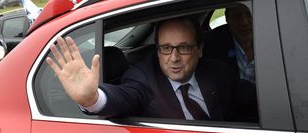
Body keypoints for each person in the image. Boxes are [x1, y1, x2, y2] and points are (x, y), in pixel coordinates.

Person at [47, 17, 245, 121]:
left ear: (199, 49)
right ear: (157, 51)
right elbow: (124, 97)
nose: (174, 58)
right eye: (166, 48)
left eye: (183, 47)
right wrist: (93, 99)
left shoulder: (219, 72)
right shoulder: (142, 78)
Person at [204, 4, 255, 84]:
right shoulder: (211, 47)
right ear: (227, 18)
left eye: (249, 14)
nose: (244, 22)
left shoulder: (273, 39)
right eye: (237, 16)